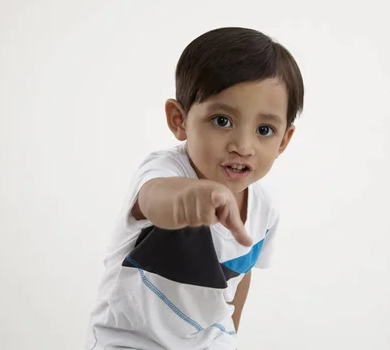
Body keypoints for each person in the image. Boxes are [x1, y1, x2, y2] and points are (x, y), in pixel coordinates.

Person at [85, 27, 305, 350]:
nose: (243, 146)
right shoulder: (164, 172)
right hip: (131, 341)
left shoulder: (265, 208)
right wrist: (190, 197)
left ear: (284, 140)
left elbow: (240, 279)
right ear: (179, 120)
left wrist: (229, 335)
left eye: (264, 129)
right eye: (222, 121)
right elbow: (154, 197)